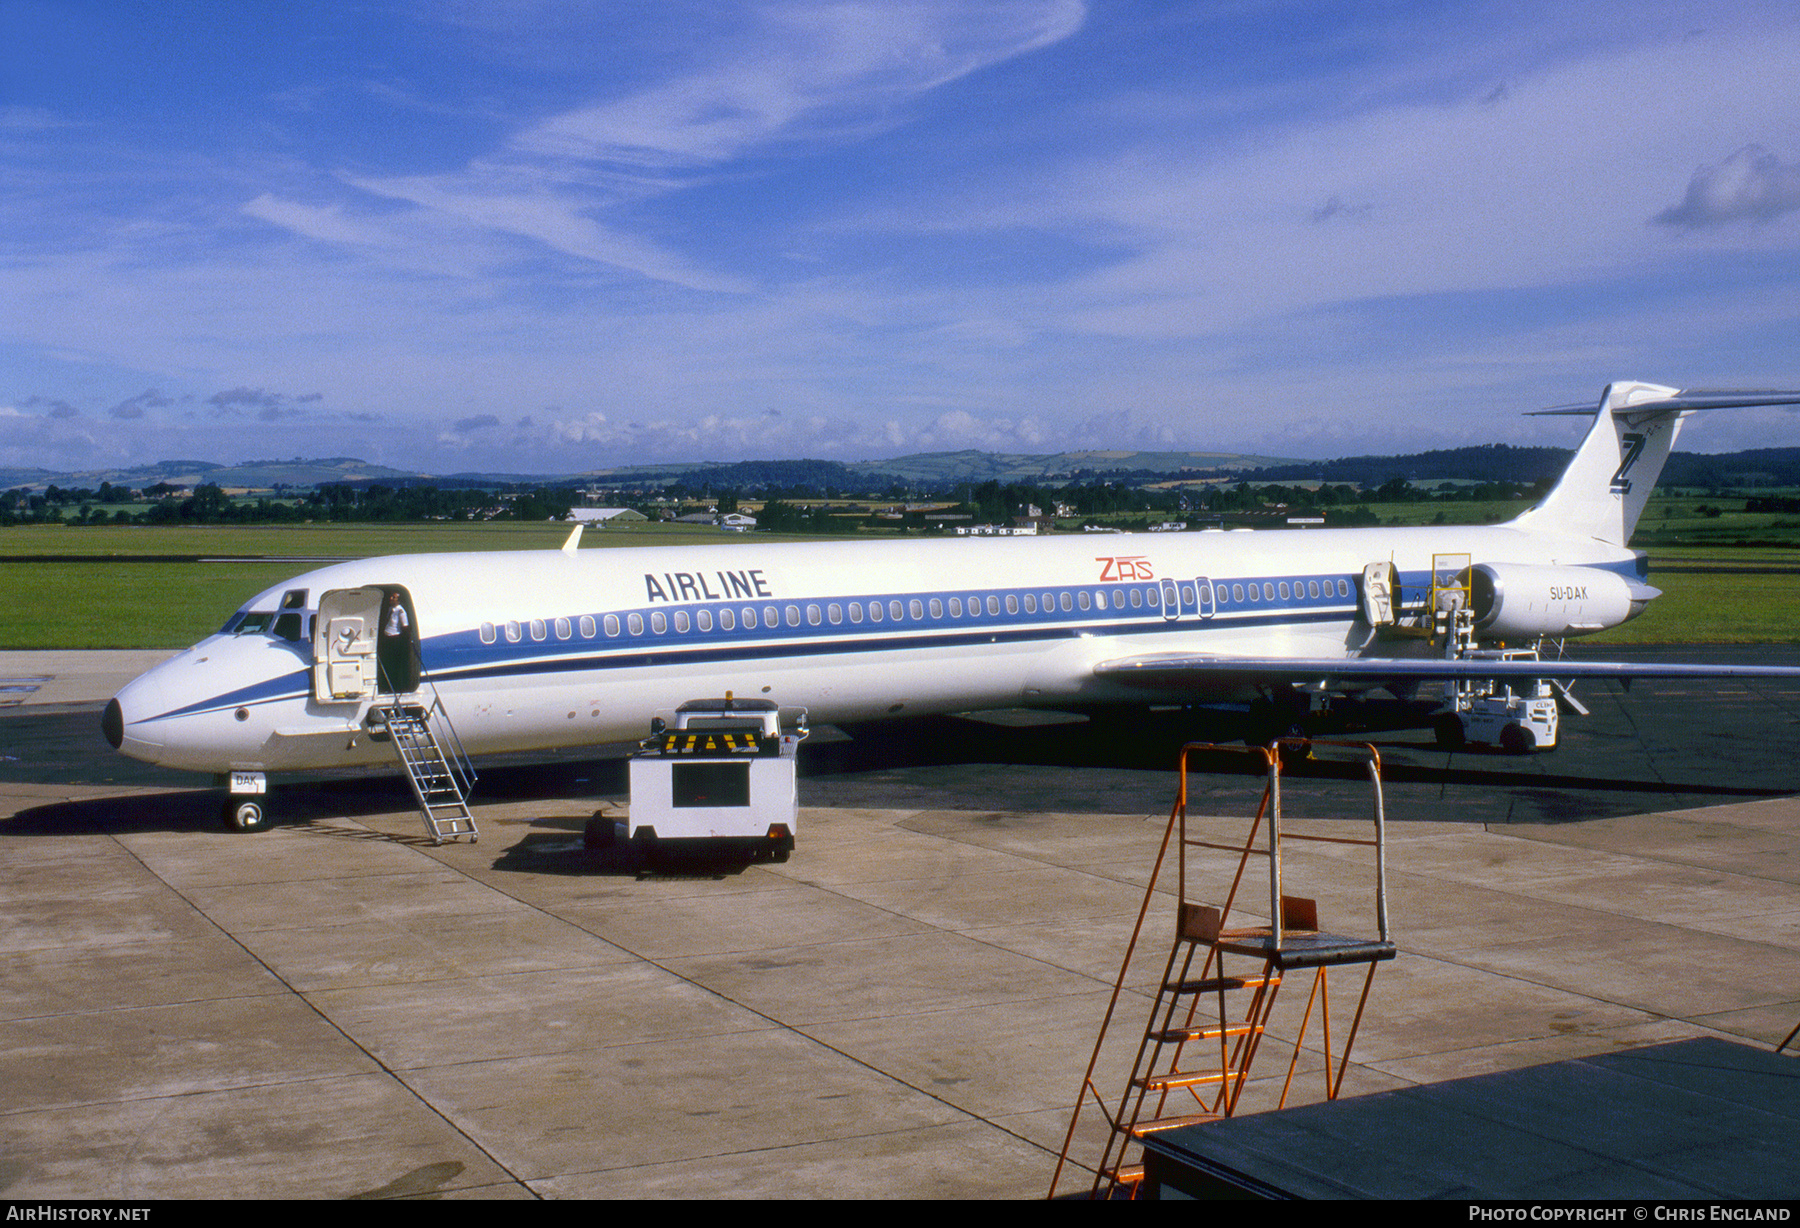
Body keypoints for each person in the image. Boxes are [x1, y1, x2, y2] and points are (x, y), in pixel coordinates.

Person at [378, 592, 411, 693]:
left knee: (393, 664)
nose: (391, 598)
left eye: (394, 597)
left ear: (399, 600)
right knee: (387, 662)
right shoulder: (390, 609)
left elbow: (405, 626)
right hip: (387, 638)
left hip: (395, 639)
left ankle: (396, 686)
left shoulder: (400, 611)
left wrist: (405, 642)